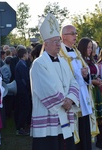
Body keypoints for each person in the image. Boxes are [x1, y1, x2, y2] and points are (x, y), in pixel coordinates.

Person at [30, 13, 79, 150]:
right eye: (55, 42)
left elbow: (73, 82)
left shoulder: (64, 62)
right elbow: (45, 89)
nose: (58, 44)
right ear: (45, 44)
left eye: (59, 41)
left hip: (65, 113)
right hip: (48, 118)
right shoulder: (39, 64)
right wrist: (64, 102)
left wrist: (70, 99)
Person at [60, 25, 98, 150]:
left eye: (76, 33)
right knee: (73, 132)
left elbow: (85, 75)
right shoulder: (60, 53)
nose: (76, 35)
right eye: (72, 33)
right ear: (64, 36)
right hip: (71, 97)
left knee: (84, 129)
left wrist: (85, 75)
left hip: (83, 97)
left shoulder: (76, 52)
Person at [77, 37, 102, 149]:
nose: (90, 49)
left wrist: (98, 80)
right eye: (88, 47)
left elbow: (95, 73)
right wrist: (92, 81)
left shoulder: (91, 60)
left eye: (91, 47)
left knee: (100, 117)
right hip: (88, 91)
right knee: (93, 117)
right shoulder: (79, 60)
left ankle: (101, 140)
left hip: (95, 91)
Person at [14, 46, 32, 135]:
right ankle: (20, 128)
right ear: (24, 54)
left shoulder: (22, 63)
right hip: (23, 91)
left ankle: (22, 127)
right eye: (27, 53)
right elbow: (25, 79)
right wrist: (29, 87)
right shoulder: (21, 65)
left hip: (23, 90)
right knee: (25, 108)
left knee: (25, 108)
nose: (28, 55)